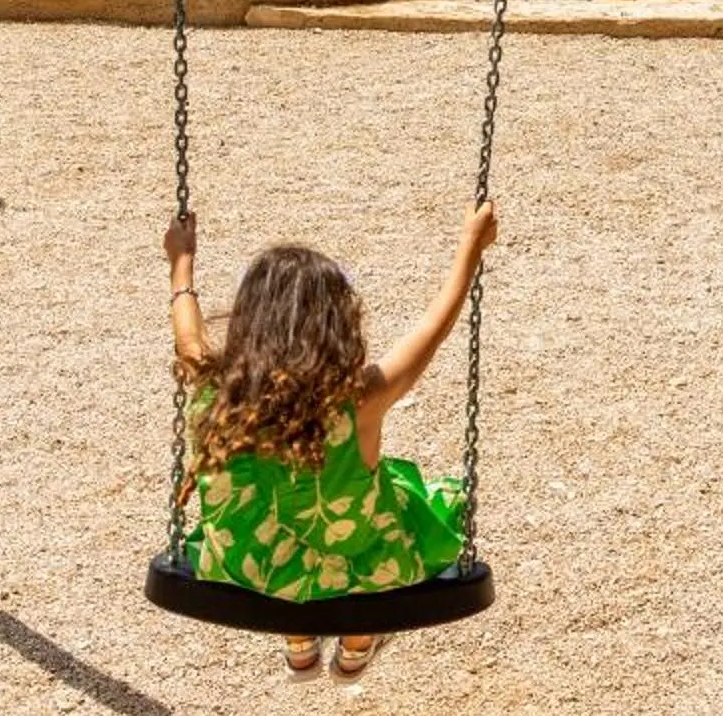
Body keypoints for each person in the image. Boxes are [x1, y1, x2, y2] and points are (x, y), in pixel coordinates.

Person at [165, 201, 499, 677]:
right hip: (364, 572)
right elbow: (433, 330)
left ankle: (300, 639)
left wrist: (181, 261)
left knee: (280, 529)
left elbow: (189, 335)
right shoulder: (359, 399)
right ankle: (360, 637)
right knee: (416, 503)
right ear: (336, 328)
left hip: (244, 571)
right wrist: (470, 247)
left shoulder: (215, 388)